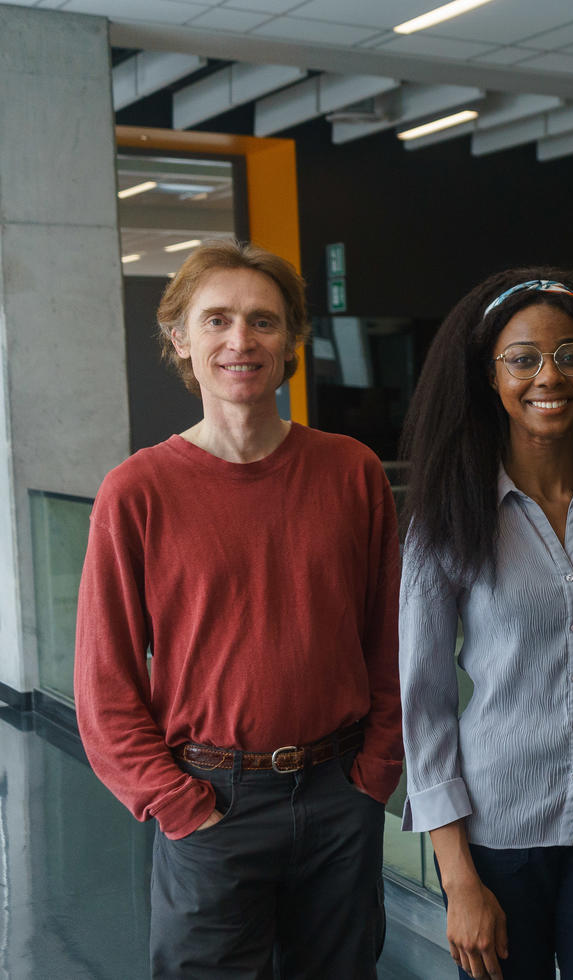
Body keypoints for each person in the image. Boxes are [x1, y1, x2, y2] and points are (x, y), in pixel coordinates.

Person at [74, 240, 402, 978]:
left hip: (338, 794)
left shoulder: (352, 472)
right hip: (209, 802)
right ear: (180, 339)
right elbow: (106, 687)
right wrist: (179, 805)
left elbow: (392, 643)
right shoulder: (137, 492)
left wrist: (374, 774)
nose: (240, 340)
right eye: (216, 319)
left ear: (289, 341)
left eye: (262, 321)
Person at [398, 270, 573, 980]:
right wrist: (459, 881)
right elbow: (425, 705)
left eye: (571, 356)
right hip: (494, 838)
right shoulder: (447, 519)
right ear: (489, 377)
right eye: (522, 358)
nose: (547, 377)